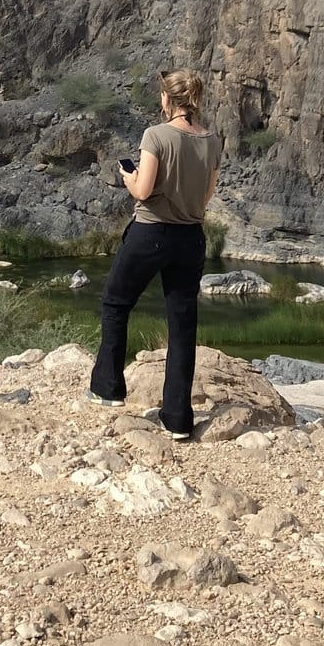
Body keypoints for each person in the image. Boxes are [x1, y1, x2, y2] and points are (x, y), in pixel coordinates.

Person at [88, 67, 221, 439]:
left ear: (168, 99)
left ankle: (107, 389)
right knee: (182, 325)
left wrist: (127, 176)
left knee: (116, 303)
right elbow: (207, 196)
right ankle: (178, 418)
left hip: (151, 233)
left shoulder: (156, 136)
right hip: (191, 238)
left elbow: (143, 191)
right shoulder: (212, 140)